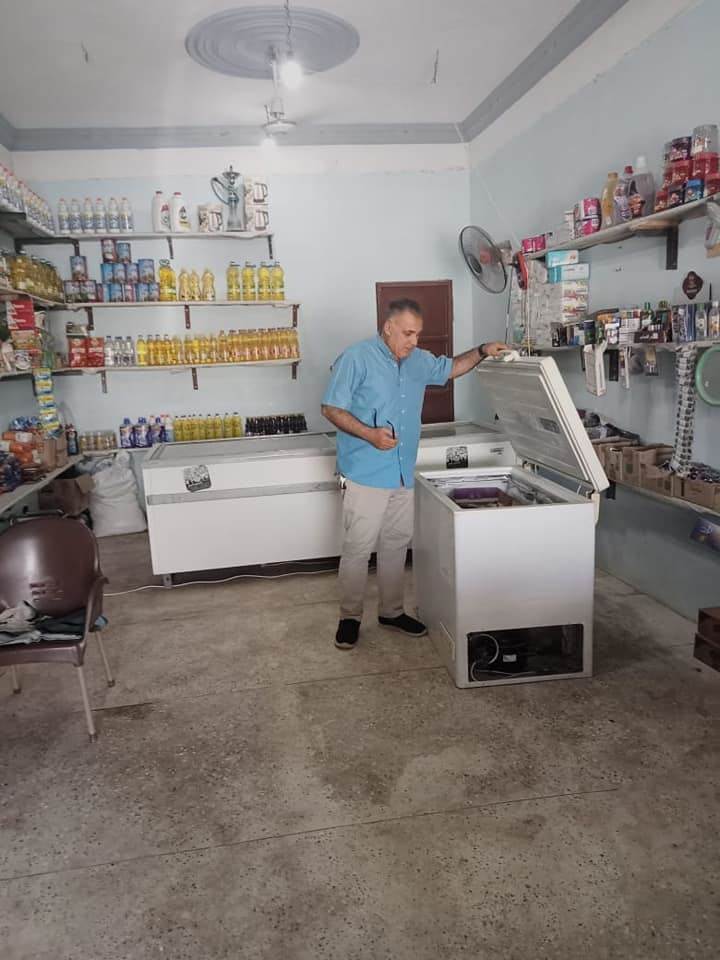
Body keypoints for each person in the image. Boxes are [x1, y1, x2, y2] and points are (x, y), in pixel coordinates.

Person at [321, 297, 508, 650]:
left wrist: (483, 350)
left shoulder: (419, 361)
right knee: (359, 548)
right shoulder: (356, 358)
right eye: (408, 333)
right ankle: (349, 617)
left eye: (418, 334)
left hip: (403, 471)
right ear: (388, 327)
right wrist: (370, 435)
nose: (414, 341)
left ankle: (392, 611)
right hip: (365, 471)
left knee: (396, 544)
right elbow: (330, 408)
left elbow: (452, 367)